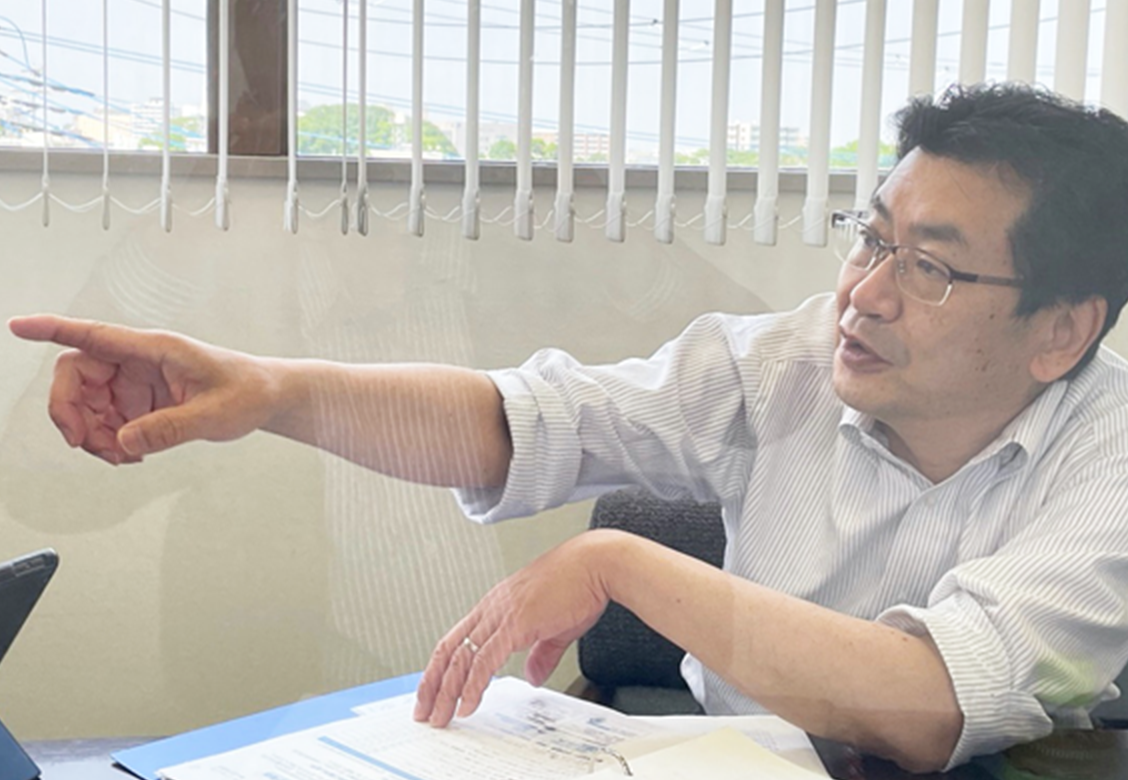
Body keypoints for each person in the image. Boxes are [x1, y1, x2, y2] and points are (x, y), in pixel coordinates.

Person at [11, 82, 1128, 772]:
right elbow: (532, 420)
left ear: (1061, 330)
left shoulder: (1112, 460)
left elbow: (933, 703)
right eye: (870, 239)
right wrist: (270, 392)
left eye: (929, 268)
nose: (864, 295)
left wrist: (621, 564)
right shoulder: (794, 359)